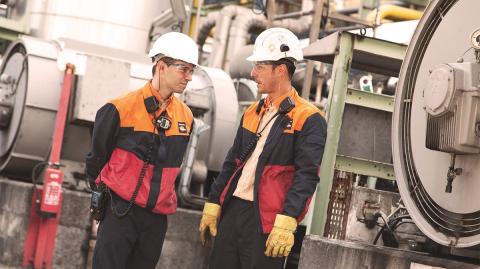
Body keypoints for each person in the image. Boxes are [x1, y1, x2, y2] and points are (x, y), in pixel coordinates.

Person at [198, 27, 328, 269]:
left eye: (259, 67)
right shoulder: (253, 111)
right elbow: (232, 161)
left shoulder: (309, 118)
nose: (252, 73)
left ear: (280, 70)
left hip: (267, 220)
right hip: (233, 210)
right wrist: (214, 201)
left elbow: (306, 176)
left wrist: (288, 219)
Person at [86, 32, 198, 269]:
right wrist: (102, 198)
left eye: (192, 70)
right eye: (183, 69)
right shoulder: (119, 108)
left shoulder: (186, 116)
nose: (189, 77)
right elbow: (96, 159)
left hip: (156, 219)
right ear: (161, 66)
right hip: (120, 211)